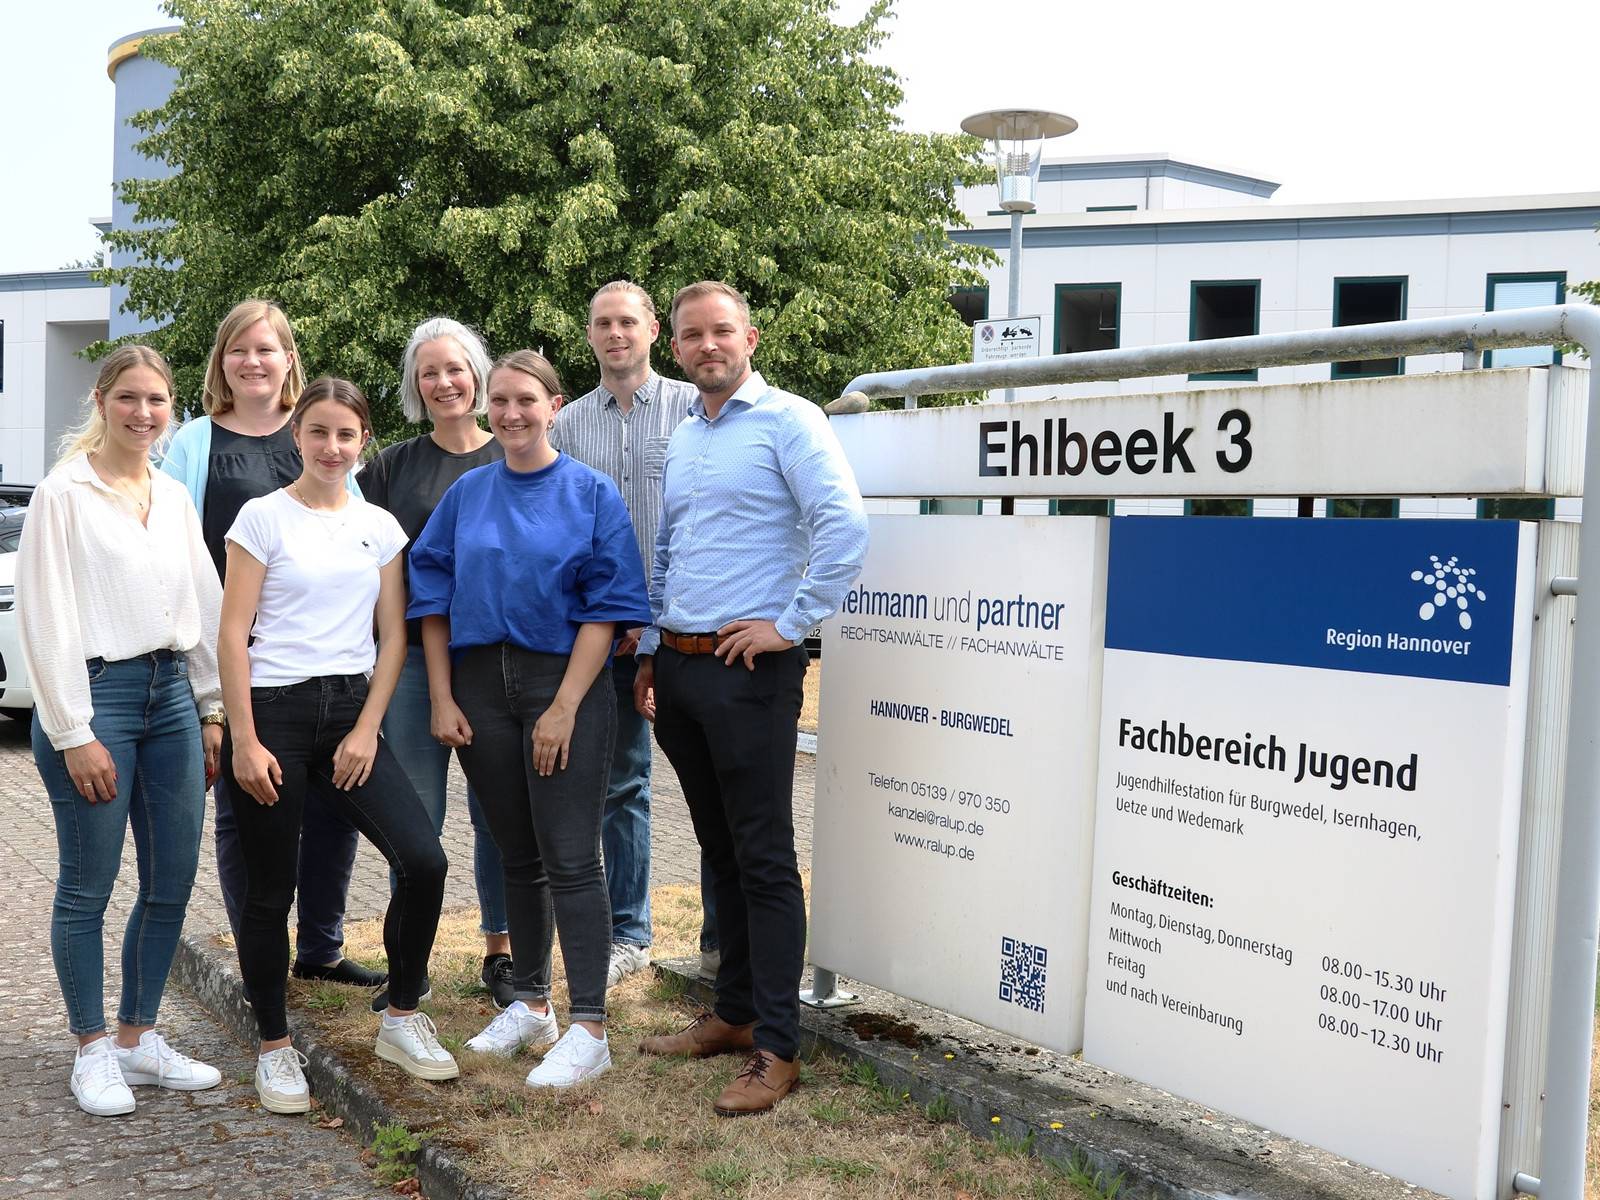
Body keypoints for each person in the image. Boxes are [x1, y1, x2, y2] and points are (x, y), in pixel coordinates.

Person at [634, 282, 868, 1117]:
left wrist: (792, 625)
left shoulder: (792, 420)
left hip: (749, 674)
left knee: (763, 858)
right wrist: (656, 646)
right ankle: (732, 1014)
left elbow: (844, 527)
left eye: (720, 332)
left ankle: (777, 1046)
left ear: (751, 338)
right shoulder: (687, 433)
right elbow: (669, 545)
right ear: (677, 346)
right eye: (691, 335)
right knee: (719, 849)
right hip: (685, 667)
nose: (706, 346)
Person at [408, 350, 651, 1088]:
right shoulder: (469, 494)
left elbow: (608, 609)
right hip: (481, 686)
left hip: (563, 683)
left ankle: (591, 1027)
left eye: (525, 400)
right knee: (516, 853)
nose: (510, 414)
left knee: (572, 856)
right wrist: (444, 696)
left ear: (554, 406)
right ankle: (532, 1003)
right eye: (500, 401)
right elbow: (432, 596)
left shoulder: (591, 493)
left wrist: (565, 708)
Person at [218, 377, 455, 1113]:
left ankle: (402, 1013)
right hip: (275, 715)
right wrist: (245, 741)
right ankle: (275, 1048)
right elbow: (231, 635)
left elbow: (393, 638)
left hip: (351, 711)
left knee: (424, 859)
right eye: (318, 432)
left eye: (346, 435)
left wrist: (365, 728)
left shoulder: (380, 526)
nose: (332, 447)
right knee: (270, 889)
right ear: (298, 436)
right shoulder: (261, 519)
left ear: (363, 442)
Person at [20, 345, 226, 1116]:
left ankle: (140, 1040)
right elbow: (45, 617)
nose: (145, 413)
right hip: (96, 697)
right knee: (87, 885)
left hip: (172, 698)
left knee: (171, 880)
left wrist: (211, 707)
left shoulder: (171, 495)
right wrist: (74, 730)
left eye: (158, 401)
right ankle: (92, 1049)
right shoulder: (62, 495)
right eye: (130, 398)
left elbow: (201, 602)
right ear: (102, 400)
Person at [160, 299, 377, 993]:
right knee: (244, 809)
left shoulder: (319, 431)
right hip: (233, 657)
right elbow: (175, 556)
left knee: (333, 809)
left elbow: (359, 543)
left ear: (290, 359)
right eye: (239, 350)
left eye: (267, 349)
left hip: (325, 663)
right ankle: (264, 957)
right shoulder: (195, 443)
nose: (253, 361)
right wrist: (209, 692)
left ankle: (321, 946)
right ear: (221, 362)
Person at [550, 281, 704, 988]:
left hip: (678, 628)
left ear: (651, 331)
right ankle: (626, 933)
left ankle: (713, 936)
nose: (615, 334)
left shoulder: (691, 410)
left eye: (627, 322)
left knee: (706, 785)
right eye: (602, 323)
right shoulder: (567, 426)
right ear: (589, 335)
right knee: (619, 786)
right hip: (597, 637)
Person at [359, 317, 512, 1010]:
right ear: (415, 386)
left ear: (478, 376)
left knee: (500, 816)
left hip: (494, 664)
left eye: (455, 368)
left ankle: (502, 953)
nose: (444, 382)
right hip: (415, 668)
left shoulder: (512, 453)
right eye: (429, 372)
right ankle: (408, 964)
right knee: (415, 824)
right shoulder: (391, 466)